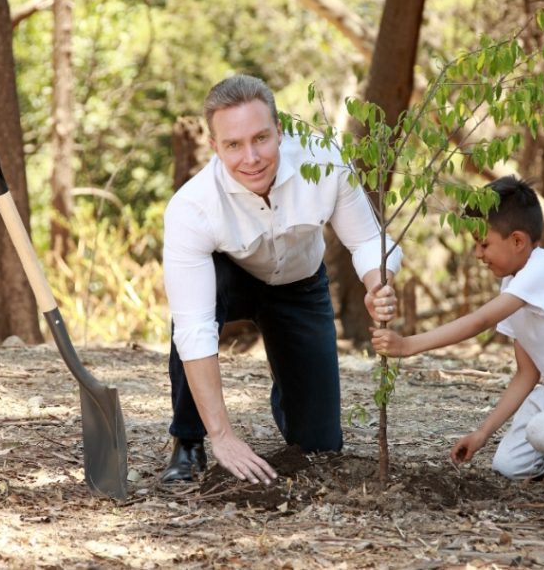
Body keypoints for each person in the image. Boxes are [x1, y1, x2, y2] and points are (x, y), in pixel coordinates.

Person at [162, 74, 402, 485]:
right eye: (234, 145)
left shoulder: (324, 162)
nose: (251, 157)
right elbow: (195, 329)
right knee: (201, 305)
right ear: (214, 146)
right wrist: (223, 435)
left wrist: (377, 283)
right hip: (232, 279)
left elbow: (366, 239)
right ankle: (188, 440)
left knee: (320, 447)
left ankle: (291, 383)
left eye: (261, 138)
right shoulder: (191, 208)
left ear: (280, 130)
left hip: (300, 286)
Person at [371, 176, 544, 488]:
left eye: (484, 244)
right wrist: (482, 434)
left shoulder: (542, 270)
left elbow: (478, 322)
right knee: (509, 466)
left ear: (517, 241)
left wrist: (407, 346)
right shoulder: (513, 283)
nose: (478, 254)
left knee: (543, 433)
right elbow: (526, 374)